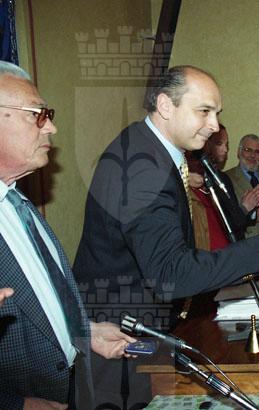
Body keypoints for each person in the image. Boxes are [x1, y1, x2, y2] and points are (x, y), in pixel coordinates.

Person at [72, 65, 259, 406]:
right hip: (118, 345)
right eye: (204, 111)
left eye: (217, 114)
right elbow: (170, 273)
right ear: (166, 106)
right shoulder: (141, 166)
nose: (214, 125)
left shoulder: (150, 151)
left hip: (139, 330)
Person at [0, 61, 135, 410]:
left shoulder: (18, 203)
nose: (52, 128)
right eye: (37, 115)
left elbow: (39, 300)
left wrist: (83, 332)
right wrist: (14, 404)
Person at [186, 124, 259, 250]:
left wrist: (255, 207)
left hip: (230, 252)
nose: (225, 150)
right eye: (219, 143)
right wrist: (245, 207)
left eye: (227, 145)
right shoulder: (191, 177)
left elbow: (236, 223)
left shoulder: (221, 178)